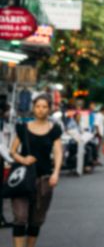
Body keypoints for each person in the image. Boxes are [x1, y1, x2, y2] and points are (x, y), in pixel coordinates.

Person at [9, 94, 63, 247]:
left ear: (49, 109)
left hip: (44, 179)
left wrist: (56, 172)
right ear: (33, 108)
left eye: (44, 107)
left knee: (36, 219)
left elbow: (58, 152)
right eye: (38, 106)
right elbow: (12, 151)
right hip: (23, 179)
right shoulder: (22, 128)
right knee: (20, 217)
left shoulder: (54, 130)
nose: (41, 110)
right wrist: (23, 159)